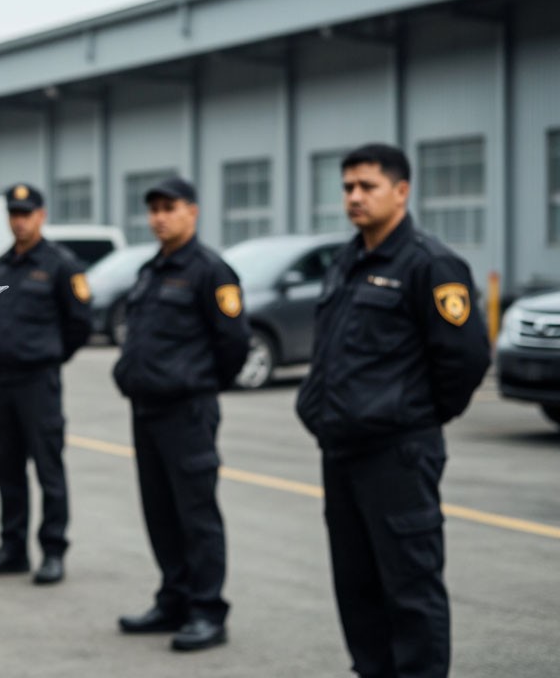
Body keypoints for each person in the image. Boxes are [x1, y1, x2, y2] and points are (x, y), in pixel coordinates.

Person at [296, 144, 489, 678]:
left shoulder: (430, 263)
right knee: (357, 584)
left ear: (401, 191)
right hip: (342, 447)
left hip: (396, 452)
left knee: (410, 584)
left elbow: (466, 357)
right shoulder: (348, 259)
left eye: (367, 186)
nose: (354, 197)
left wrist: (416, 415)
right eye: (347, 187)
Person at [112, 176, 250, 652]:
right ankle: (174, 598)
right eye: (153, 209)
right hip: (146, 409)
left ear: (192, 212)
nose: (158, 217)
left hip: (187, 411)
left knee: (196, 513)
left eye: (169, 208)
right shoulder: (152, 269)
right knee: (161, 511)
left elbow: (233, 344)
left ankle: (208, 610)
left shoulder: (211, 271)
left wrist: (198, 384)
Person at [0, 183, 92, 585]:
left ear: (41, 215)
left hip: (38, 381)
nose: (19, 220)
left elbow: (80, 324)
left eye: (27, 213)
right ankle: (13, 547)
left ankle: (53, 550)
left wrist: (50, 355)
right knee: (7, 467)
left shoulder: (61, 265)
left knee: (48, 467)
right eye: (14, 213)